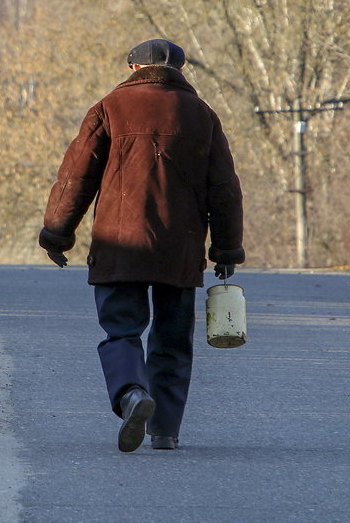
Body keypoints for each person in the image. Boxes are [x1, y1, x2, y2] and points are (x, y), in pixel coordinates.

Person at [39, 38, 245, 453]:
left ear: (133, 69)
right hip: (180, 248)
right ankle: (166, 430)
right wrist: (226, 249)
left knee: (121, 330)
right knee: (172, 340)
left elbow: (75, 177)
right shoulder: (202, 115)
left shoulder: (108, 109)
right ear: (182, 71)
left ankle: (132, 393)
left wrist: (58, 233)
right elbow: (225, 189)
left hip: (120, 245)